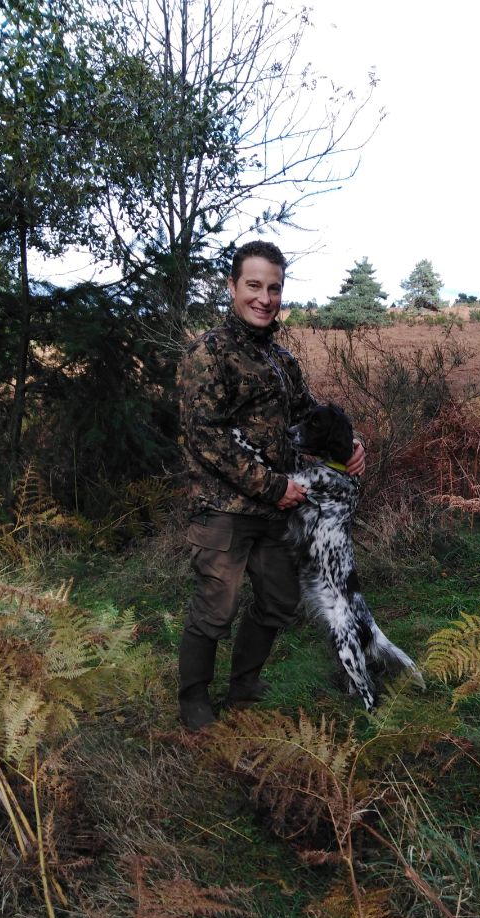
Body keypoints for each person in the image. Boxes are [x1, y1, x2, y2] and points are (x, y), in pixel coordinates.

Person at [176, 241, 365, 729]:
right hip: (224, 508)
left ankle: (244, 685)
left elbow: (308, 416)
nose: (264, 297)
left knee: (279, 601)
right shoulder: (208, 354)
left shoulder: (282, 359)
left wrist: (350, 445)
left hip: (280, 510)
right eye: (254, 286)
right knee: (216, 607)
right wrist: (271, 485)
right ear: (233, 287)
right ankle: (195, 700)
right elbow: (207, 437)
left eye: (274, 288)